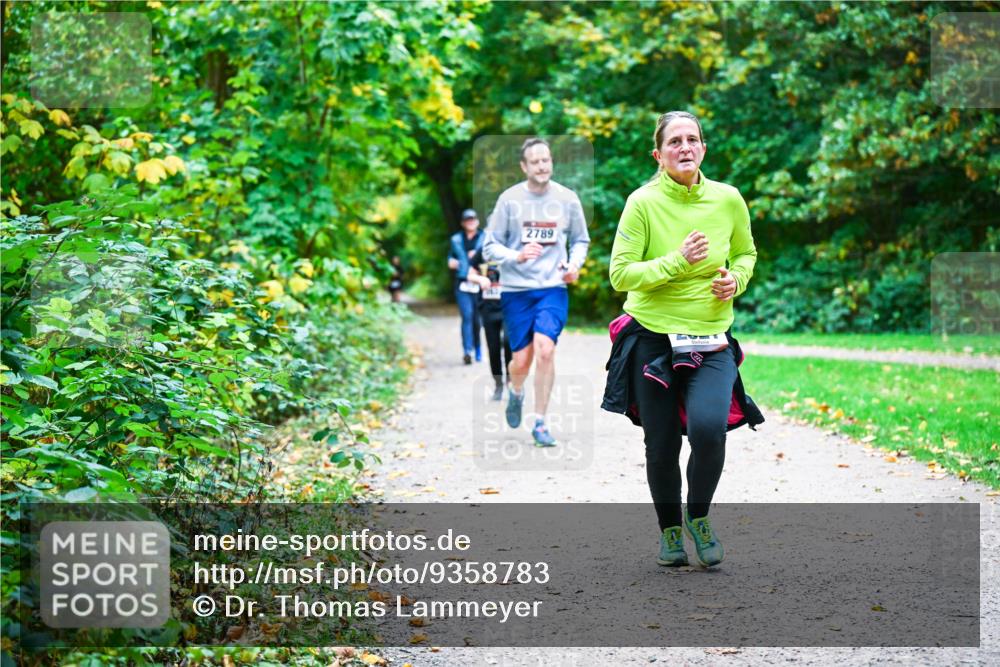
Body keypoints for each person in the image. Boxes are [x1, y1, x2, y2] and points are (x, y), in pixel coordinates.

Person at [603, 111, 762, 568]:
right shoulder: (642, 203)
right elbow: (620, 274)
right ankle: (670, 531)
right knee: (662, 443)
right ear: (658, 155)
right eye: (675, 141)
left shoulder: (728, 199)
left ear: (704, 149)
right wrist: (677, 261)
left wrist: (736, 280)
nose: (685, 147)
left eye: (692, 139)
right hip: (651, 340)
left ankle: (699, 515)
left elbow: (746, 253)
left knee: (710, 430)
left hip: (711, 339)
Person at [483, 138, 590, 447]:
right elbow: (489, 246)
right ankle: (516, 391)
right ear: (524, 166)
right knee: (521, 361)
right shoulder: (509, 200)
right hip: (516, 290)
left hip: (552, 287)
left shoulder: (567, 199)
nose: (542, 166)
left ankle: (540, 422)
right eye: (535, 161)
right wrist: (516, 256)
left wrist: (574, 264)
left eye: (546, 160)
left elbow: (580, 240)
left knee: (545, 349)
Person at [467, 249, 511, 401]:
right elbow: (470, 274)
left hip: (509, 306)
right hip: (488, 308)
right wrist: (480, 279)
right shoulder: (483, 251)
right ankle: (498, 384)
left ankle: (511, 382)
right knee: (493, 347)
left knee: (509, 342)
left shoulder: (511, 248)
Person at [448, 209, 484, 365]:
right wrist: (451, 262)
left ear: (477, 221)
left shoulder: (485, 238)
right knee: (467, 315)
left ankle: (478, 348)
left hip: (480, 282)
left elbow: (492, 257)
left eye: (473, 219)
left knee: (477, 319)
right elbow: (451, 256)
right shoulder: (456, 239)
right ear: (463, 223)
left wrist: (478, 257)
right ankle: (467, 351)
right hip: (462, 282)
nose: (470, 222)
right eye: (467, 220)